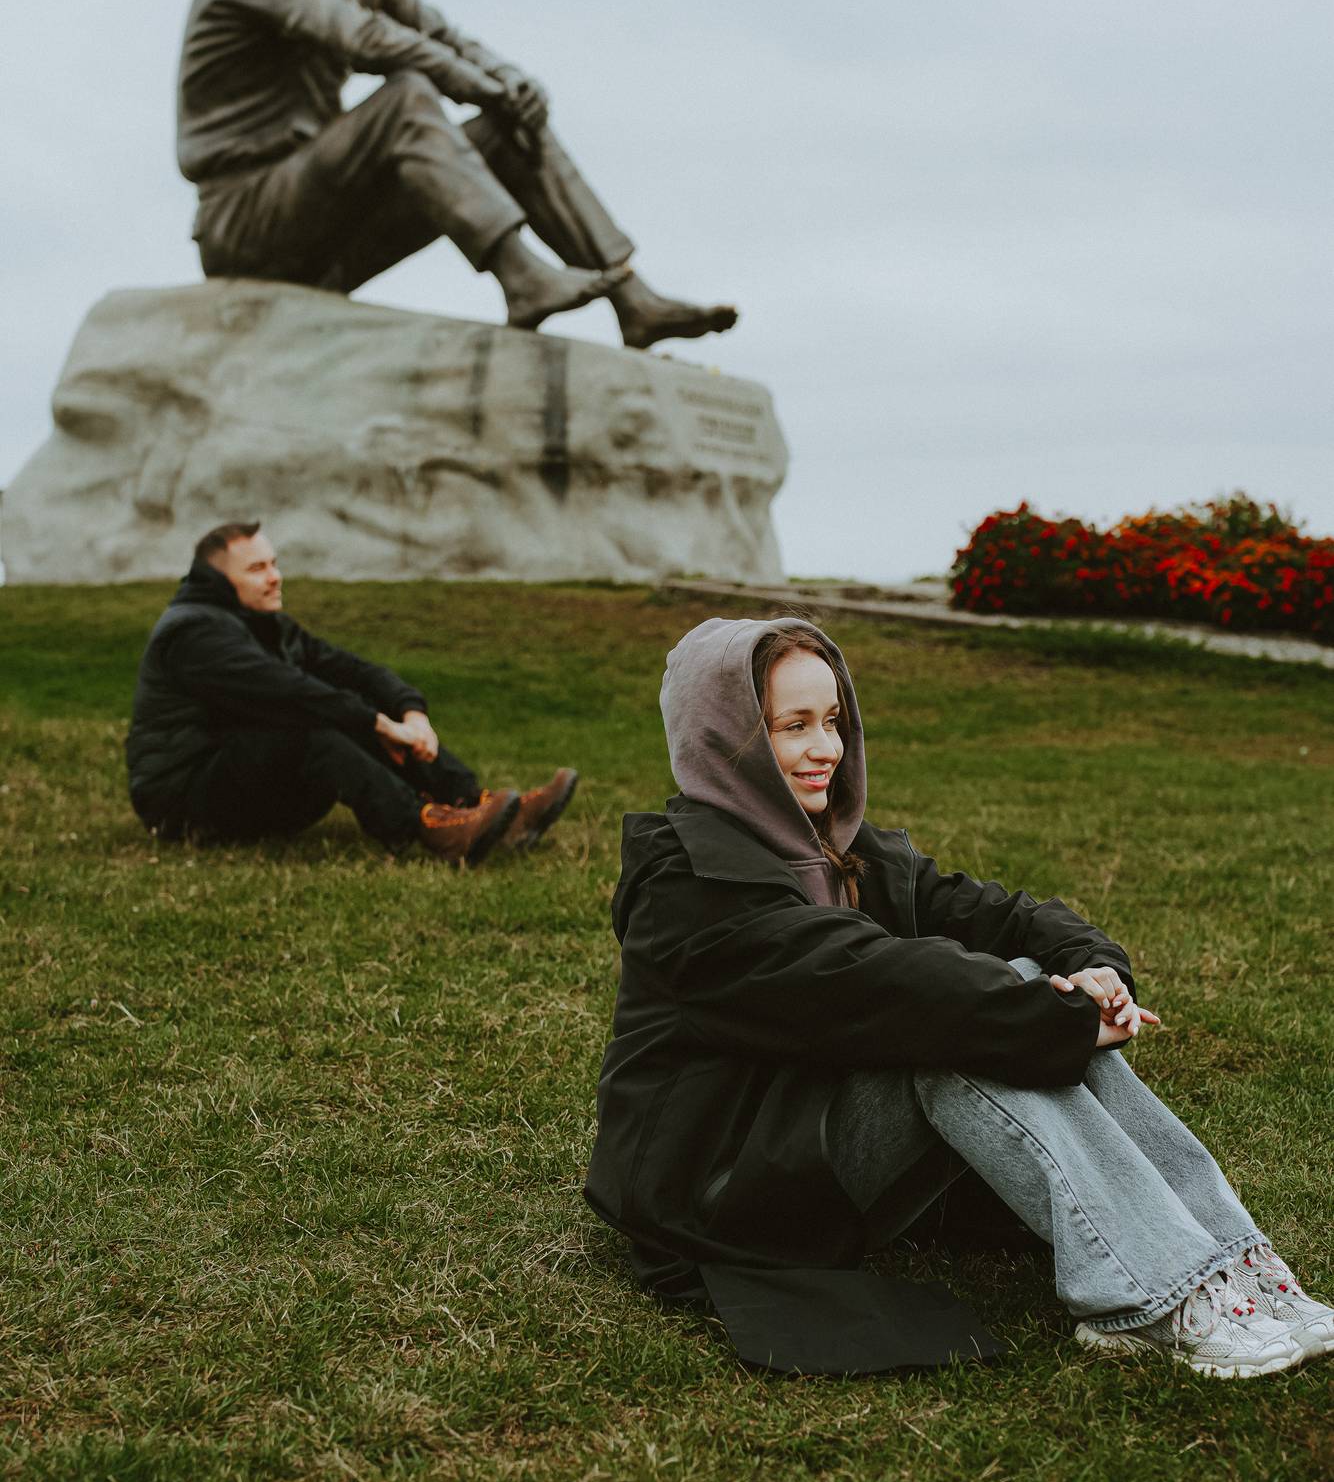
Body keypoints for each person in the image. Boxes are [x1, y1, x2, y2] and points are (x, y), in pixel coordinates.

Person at [585, 616, 1334, 1377]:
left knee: (1012, 987)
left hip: (808, 1142)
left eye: (834, 721)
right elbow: (878, 981)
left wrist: (1094, 972)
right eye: (793, 727)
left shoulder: (839, 847)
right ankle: (1146, 1299)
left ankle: (1237, 1267)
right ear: (726, 738)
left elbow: (999, 914)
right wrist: (1054, 1012)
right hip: (722, 1188)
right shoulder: (690, 887)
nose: (827, 750)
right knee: (965, 1016)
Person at [177, 0, 738, 352]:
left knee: (509, 126)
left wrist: (507, 80)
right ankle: (522, 277)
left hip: (323, 228)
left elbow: (440, 33)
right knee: (407, 98)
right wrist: (471, 84)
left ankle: (632, 300)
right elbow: (360, 34)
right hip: (247, 224)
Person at [127, 521, 578, 865]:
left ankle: (484, 809)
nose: (275, 577)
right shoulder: (194, 633)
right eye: (257, 569)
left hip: (241, 779)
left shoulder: (266, 625)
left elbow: (350, 669)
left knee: (349, 707)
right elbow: (290, 694)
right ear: (221, 581)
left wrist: (408, 710)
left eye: (274, 563)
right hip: (184, 802)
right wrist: (377, 725)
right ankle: (430, 828)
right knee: (316, 727)